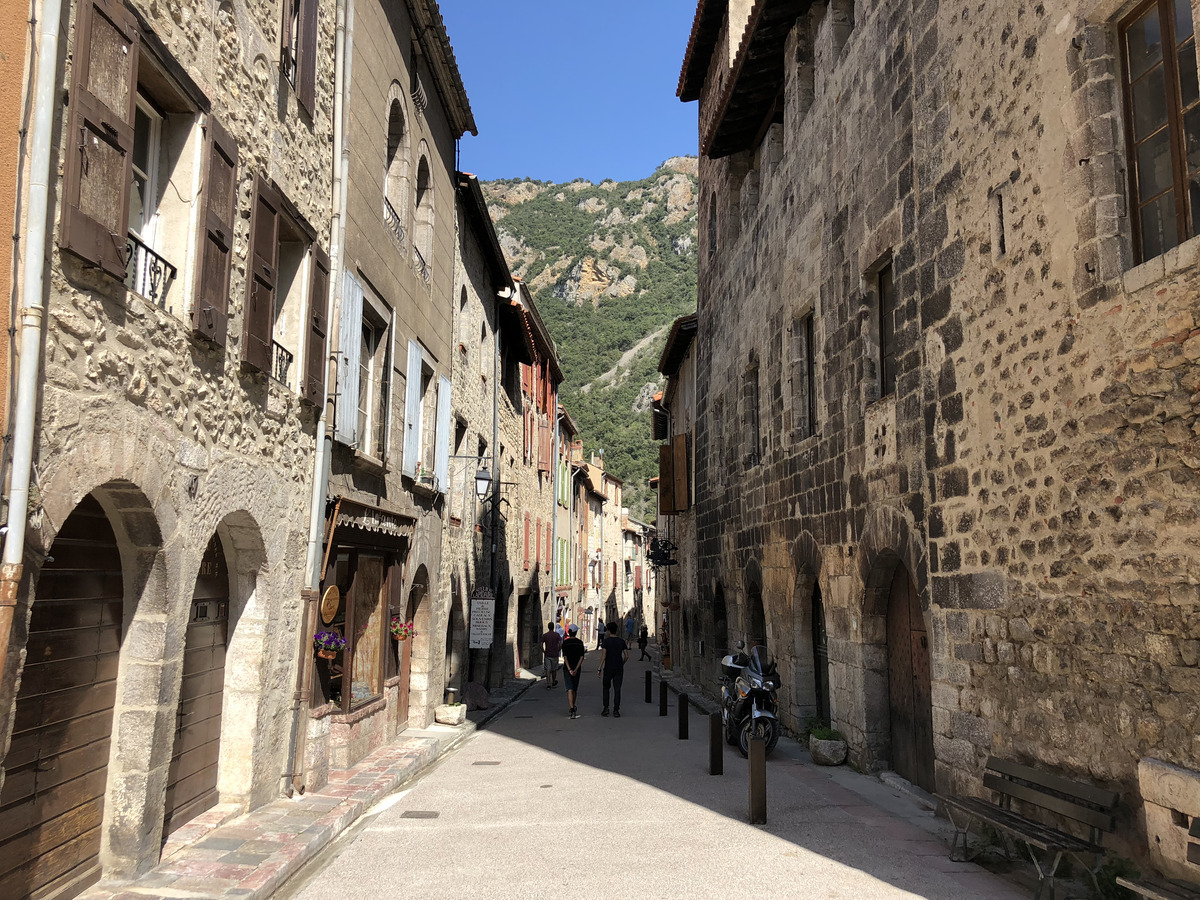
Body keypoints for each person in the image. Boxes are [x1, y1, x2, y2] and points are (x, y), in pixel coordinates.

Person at [597, 620, 629, 717]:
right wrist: (622, 663)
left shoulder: (606, 642)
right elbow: (627, 655)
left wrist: (599, 668)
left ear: (609, 631)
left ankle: (606, 708)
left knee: (606, 688)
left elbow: (604, 655)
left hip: (608, 668)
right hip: (618, 667)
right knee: (617, 689)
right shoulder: (621, 641)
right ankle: (616, 710)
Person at [561, 624, 586, 719]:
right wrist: (575, 669)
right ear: (576, 632)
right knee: (574, 689)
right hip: (577, 669)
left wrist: (569, 669)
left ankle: (572, 708)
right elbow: (582, 657)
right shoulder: (579, 643)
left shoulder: (565, 643)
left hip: (567, 669)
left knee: (569, 689)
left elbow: (565, 657)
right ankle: (573, 707)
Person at [540, 621, 562, 689]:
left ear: (548, 627)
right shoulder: (557, 635)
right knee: (554, 669)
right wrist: (558, 650)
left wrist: (543, 651)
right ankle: (553, 681)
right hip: (555, 654)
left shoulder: (545, 635)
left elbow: (541, 644)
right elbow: (560, 643)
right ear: (553, 627)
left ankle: (548, 683)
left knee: (548, 669)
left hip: (547, 654)